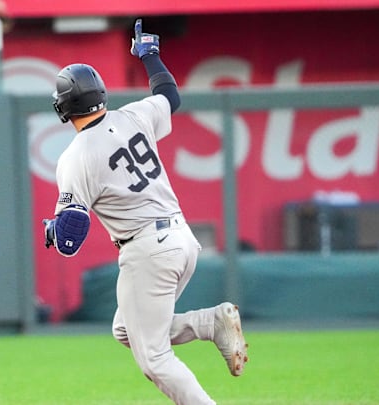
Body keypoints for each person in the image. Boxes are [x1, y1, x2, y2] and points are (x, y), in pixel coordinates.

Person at [42, 19, 249, 405]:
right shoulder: (133, 115)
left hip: (147, 249)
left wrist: (54, 231)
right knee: (127, 330)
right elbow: (170, 95)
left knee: (153, 358)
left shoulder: (76, 157)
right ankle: (211, 322)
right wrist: (150, 55)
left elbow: (71, 235)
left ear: (64, 108)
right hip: (182, 239)